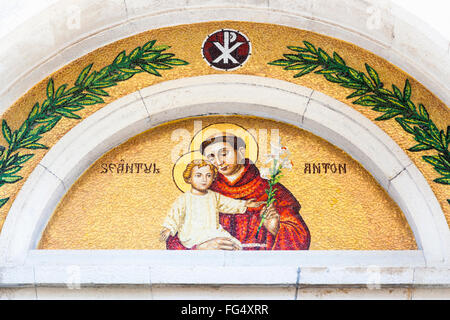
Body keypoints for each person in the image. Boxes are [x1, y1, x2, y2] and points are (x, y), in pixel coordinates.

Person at [166, 132, 311, 250]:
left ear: (241, 152)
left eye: (224, 153)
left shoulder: (273, 191)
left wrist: (276, 228)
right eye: (211, 156)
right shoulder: (204, 193)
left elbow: (300, 236)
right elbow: (174, 239)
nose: (219, 161)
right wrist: (199, 248)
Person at [161, 159, 264, 249]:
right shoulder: (184, 199)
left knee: (234, 244)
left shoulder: (213, 196)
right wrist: (168, 228)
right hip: (193, 233)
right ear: (189, 178)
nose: (204, 179)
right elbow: (174, 215)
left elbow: (228, 204)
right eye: (198, 175)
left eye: (208, 175)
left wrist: (245, 204)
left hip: (213, 231)